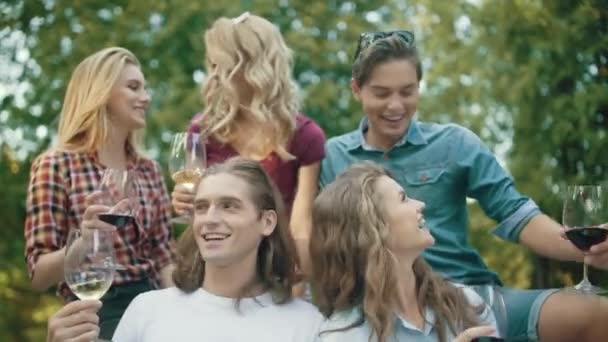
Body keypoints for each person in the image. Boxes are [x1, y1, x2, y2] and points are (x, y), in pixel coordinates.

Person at [319, 30, 608, 341]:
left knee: (593, 313)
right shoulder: (332, 155)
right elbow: (323, 242)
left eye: (407, 91)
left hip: (471, 293)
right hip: (388, 307)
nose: (395, 105)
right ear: (356, 90)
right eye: (381, 93)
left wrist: (588, 250)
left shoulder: (454, 143)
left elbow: (517, 214)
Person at [24, 47, 175, 339]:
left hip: (153, 302)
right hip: (95, 307)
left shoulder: (150, 169)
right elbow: (39, 274)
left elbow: (164, 258)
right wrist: (84, 238)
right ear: (102, 92)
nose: (146, 97)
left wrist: (184, 309)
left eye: (145, 87)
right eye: (134, 87)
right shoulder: (55, 165)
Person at [171, 12, 325, 275]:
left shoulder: (305, 135)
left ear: (254, 67)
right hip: (218, 268)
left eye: (223, 64)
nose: (214, 75)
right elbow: (197, 212)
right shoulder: (203, 130)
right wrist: (184, 200)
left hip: (278, 268)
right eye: (212, 64)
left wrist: (295, 285)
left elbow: (301, 227)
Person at [111, 157, 323, 341]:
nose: (209, 219)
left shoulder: (307, 324)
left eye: (229, 206)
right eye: (201, 207)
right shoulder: (147, 310)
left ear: (267, 222)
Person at [310, 163, 497, 342]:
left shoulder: (464, 303)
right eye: (403, 198)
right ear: (373, 229)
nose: (421, 204)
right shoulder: (342, 336)